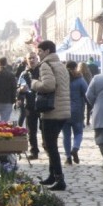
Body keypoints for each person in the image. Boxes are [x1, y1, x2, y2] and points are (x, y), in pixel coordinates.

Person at [31, 41, 70, 191]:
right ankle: (52, 175)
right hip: (63, 110)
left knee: (50, 146)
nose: (38, 54)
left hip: (52, 111)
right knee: (50, 144)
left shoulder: (46, 65)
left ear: (47, 51)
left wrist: (34, 84)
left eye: (40, 51)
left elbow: (48, 85)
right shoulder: (60, 65)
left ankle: (59, 179)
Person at [61, 61, 89, 166]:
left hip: (63, 109)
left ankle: (68, 157)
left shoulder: (62, 79)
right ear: (76, 67)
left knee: (66, 135)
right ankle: (75, 148)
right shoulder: (80, 79)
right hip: (77, 111)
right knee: (78, 132)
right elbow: (87, 93)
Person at [17, 53, 40, 158]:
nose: (31, 60)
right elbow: (18, 89)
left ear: (37, 59)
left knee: (45, 129)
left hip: (42, 104)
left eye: (33, 58)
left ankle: (47, 147)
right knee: (31, 130)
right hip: (29, 105)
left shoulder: (42, 71)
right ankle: (34, 151)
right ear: (26, 60)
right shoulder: (24, 74)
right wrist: (20, 91)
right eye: (29, 58)